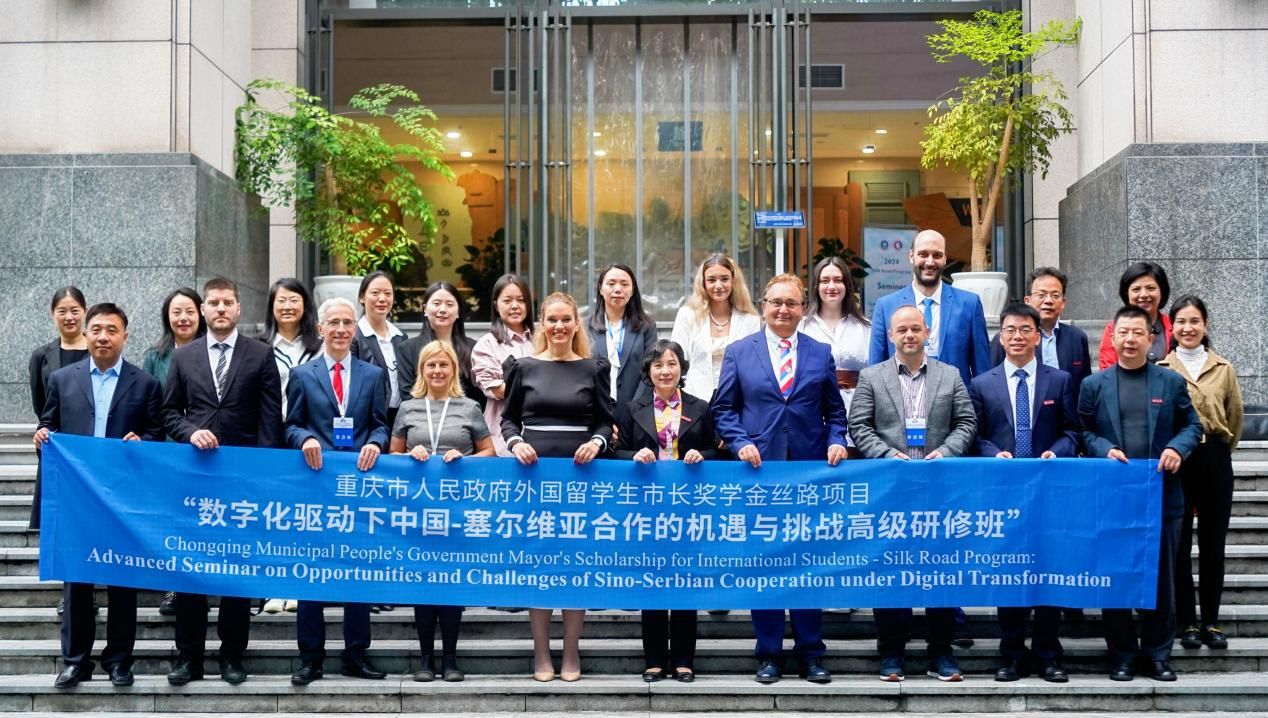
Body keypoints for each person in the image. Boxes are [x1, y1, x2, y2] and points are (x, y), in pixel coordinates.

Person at [711, 273, 848, 685]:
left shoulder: (820, 352)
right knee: (766, 563)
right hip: (760, 473)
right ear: (764, 306)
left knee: (807, 563)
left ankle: (811, 653)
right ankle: (769, 652)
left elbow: (834, 412)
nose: (783, 310)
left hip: (808, 473)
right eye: (776, 303)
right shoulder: (739, 352)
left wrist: (836, 440)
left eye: (791, 303)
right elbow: (723, 409)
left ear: (803, 308)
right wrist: (740, 442)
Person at [160, 277, 283, 686]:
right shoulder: (184, 356)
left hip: (242, 481)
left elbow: (270, 419)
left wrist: (261, 474)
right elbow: (169, 413)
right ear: (203, 309)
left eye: (227, 302)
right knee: (190, 568)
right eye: (213, 303)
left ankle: (232, 655)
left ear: (238, 307)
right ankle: (189, 657)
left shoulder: (260, 354)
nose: (220, 309)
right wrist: (190, 432)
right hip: (195, 478)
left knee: (237, 568)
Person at [35, 303, 162, 689]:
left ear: (125, 335)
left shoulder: (145, 384)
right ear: (86, 334)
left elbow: (156, 434)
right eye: (97, 330)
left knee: (123, 580)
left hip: (123, 500)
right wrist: (42, 436)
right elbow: (48, 425)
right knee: (77, 581)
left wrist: (144, 442)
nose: (103, 337)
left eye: (112, 330)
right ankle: (76, 661)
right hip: (78, 497)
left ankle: (119, 660)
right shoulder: (62, 379)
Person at [849, 304, 976, 683]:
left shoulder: (950, 375)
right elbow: (859, 425)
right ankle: (891, 653)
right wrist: (888, 456)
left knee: (941, 572)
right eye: (901, 329)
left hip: (940, 491)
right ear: (890, 335)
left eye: (915, 329)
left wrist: (947, 451)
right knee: (890, 571)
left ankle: (941, 653)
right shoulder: (872, 377)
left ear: (927, 333)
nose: (908, 335)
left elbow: (967, 421)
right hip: (891, 490)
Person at [1079, 305, 1202, 682]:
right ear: (1112, 337)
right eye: (1123, 332)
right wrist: (1103, 449)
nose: (1130, 339)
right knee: (1115, 577)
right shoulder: (1094, 385)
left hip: (1162, 496)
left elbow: (1193, 425)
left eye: (1138, 333)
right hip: (1113, 498)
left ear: (1151, 339)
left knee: (1161, 579)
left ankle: (1157, 655)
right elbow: (1083, 431)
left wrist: (1177, 448)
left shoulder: (1170, 382)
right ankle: (1122, 656)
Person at [501, 292, 616, 683]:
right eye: (552, 319)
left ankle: (570, 651)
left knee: (574, 566)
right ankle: (540, 652)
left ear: (576, 323)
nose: (559, 326)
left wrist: (597, 442)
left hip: (580, 479)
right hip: (533, 479)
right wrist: (515, 443)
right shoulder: (523, 367)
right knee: (538, 566)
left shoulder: (594, 368)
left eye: (566, 319)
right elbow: (508, 419)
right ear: (542, 324)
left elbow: (606, 421)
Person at [968, 303, 1079, 683]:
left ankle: (1048, 654)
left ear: (1037, 336)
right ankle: (1012, 654)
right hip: (1004, 493)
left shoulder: (1059, 380)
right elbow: (975, 436)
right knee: (1009, 572)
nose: (1017, 336)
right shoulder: (982, 384)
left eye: (1025, 329)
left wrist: (1056, 452)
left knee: (1049, 570)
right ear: (1001, 337)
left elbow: (1072, 431)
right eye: (1010, 330)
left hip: (1049, 491)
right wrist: (992, 454)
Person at [285, 297, 390, 685]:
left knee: (358, 572)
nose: (342, 329)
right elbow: (290, 425)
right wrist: (305, 439)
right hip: (316, 486)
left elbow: (381, 424)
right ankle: (310, 658)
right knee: (311, 572)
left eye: (348, 323)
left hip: (358, 486)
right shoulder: (302, 375)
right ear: (321, 329)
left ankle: (355, 654)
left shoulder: (372, 375)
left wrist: (376, 443)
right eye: (335, 323)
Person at [615, 339, 719, 684]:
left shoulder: (701, 408)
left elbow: (720, 451)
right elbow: (615, 452)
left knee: (686, 582)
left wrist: (703, 455)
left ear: (682, 368)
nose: (665, 371)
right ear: (648, 371)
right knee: (653, 584)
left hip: (689, 509)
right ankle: (655, 660)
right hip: (647, 510)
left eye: (671, 363)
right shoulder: (631, 409)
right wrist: (633, 456)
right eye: (658, 365)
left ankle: (685, 660)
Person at [391, 340, 494, 683]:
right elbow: (392, 456)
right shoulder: (407, 408)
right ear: (422, 370)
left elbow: (490, 452)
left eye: (443, 365)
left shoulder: (469, 407)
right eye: (431, 365)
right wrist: (410, 455)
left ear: (453, 370)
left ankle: (450, 658)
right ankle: (425, 658)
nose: (437, 371)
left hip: (456, 509)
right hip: (418, 509)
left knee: (450, 584)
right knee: (423, 584)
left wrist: (465, 458)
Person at [1157, 296, 1244, 651]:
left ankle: (1211, 620)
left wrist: (1218, 451)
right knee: (1178, 545)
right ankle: (1187, 622)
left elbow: (1234, 418)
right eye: (1181, 321)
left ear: (1205, 325)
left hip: (1214, 459)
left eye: (1194, 321)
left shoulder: (1224, 368)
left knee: (1213, 543)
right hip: (1178, 461)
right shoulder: (1162, 369)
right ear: (1172, 327)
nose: (1188, 328)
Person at [140, 287, 206, 618]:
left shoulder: (212, 351)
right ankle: (174, 587)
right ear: (167, 317)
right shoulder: (156, 356)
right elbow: (149, 404)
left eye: (189, 311)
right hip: (167, 452)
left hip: (206, 452)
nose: (183, 318)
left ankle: (206, 583)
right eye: (176, 312)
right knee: (173, 523)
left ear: (201, 313)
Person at [258, 278, 320, 616]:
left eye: (294, 299)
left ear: (305, 305)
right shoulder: (259, 346)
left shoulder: (319, 346)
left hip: (311, 439)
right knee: (275, 515)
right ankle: (273, 587)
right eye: (281, 300)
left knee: (306, 515)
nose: (287, 306)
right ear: (271, 306)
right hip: (273, 437)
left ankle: (300, 585)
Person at [868, 229, 990, 388]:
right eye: (923, 254)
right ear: (911, 256)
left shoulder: (969, 305)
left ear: (945, 259)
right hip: (901, 401)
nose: (930, 262)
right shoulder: (886, 306)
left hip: (955, 401)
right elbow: (875, 370)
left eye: (937, 255)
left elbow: (983, 372)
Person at [27, 286, 89, 534]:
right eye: (62, 311)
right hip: (56, 443)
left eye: (75, 310)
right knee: (56, 524)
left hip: (89, 443)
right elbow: (40, 403)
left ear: (85, 311)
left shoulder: (97, 350)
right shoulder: (41, 356)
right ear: (53, 314)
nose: (69, 317)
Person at [800, 256, 871, 447]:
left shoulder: (866, 328)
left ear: (847, 285)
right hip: (813, 408)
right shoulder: (801, 327)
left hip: (858, 409)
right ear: (816, 286)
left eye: (838, 280)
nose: (831, 286)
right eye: (825, 280)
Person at [670, 254, 761, 401]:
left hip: (737, 401)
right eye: (712, 280)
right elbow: (675, 360)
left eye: (724, 279)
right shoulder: (687, 315)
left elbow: (754, 367)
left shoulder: (750, 320)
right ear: (703, 283)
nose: (718, 286)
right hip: (694, 399)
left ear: (734, 281)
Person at [988, 267, 1091, 392]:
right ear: (1028, 301)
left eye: (1055, 295)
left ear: (1063, 302)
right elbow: (993, 382)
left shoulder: (1077, 338)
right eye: (1041, 295)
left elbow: (1085, 387)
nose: (1048, 301)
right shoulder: (1008, 338)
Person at [471, 274, 535, 455]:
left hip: (541, 435)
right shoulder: (486, 344)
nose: (515, 306)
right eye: (507, 301)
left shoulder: (543, 339)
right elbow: (497, 390)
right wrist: (541, 390)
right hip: (502, 439)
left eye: (521, 300)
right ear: (496, 305)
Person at [397, 281, 484, 409]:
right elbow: (407, 395)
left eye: (449, 304)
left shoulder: (473, 348)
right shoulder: (407, 349)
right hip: (421, 418)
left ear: (458, 311)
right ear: (425, 309)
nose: (443, 310)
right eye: (437, 303)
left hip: (465, 418)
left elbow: (480, 395)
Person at [587, 264, 657, 404]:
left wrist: (635, 407)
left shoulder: (646, 326)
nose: (618, 289)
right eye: (611, 284)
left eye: (624, 284)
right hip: (594, 409)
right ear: (601, 289)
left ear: (632, 290)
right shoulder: (584, 327)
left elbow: (651, 370)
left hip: (634, 409)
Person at [351, 270, 409, 428]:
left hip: (399, 419)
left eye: (388, 293)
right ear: (362, 298)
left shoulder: (401, 337)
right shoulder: (353, 337)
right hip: (367, 419)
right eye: (375, 293)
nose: (382, 299)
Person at [1099, 262, 1171, 369]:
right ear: (1127, 293)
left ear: (1162, 291)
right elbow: (1107, 369)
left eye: (1151, 288)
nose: (1144, 295)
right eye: (1136, 289)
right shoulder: (1114, 328)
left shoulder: (1174, 326)